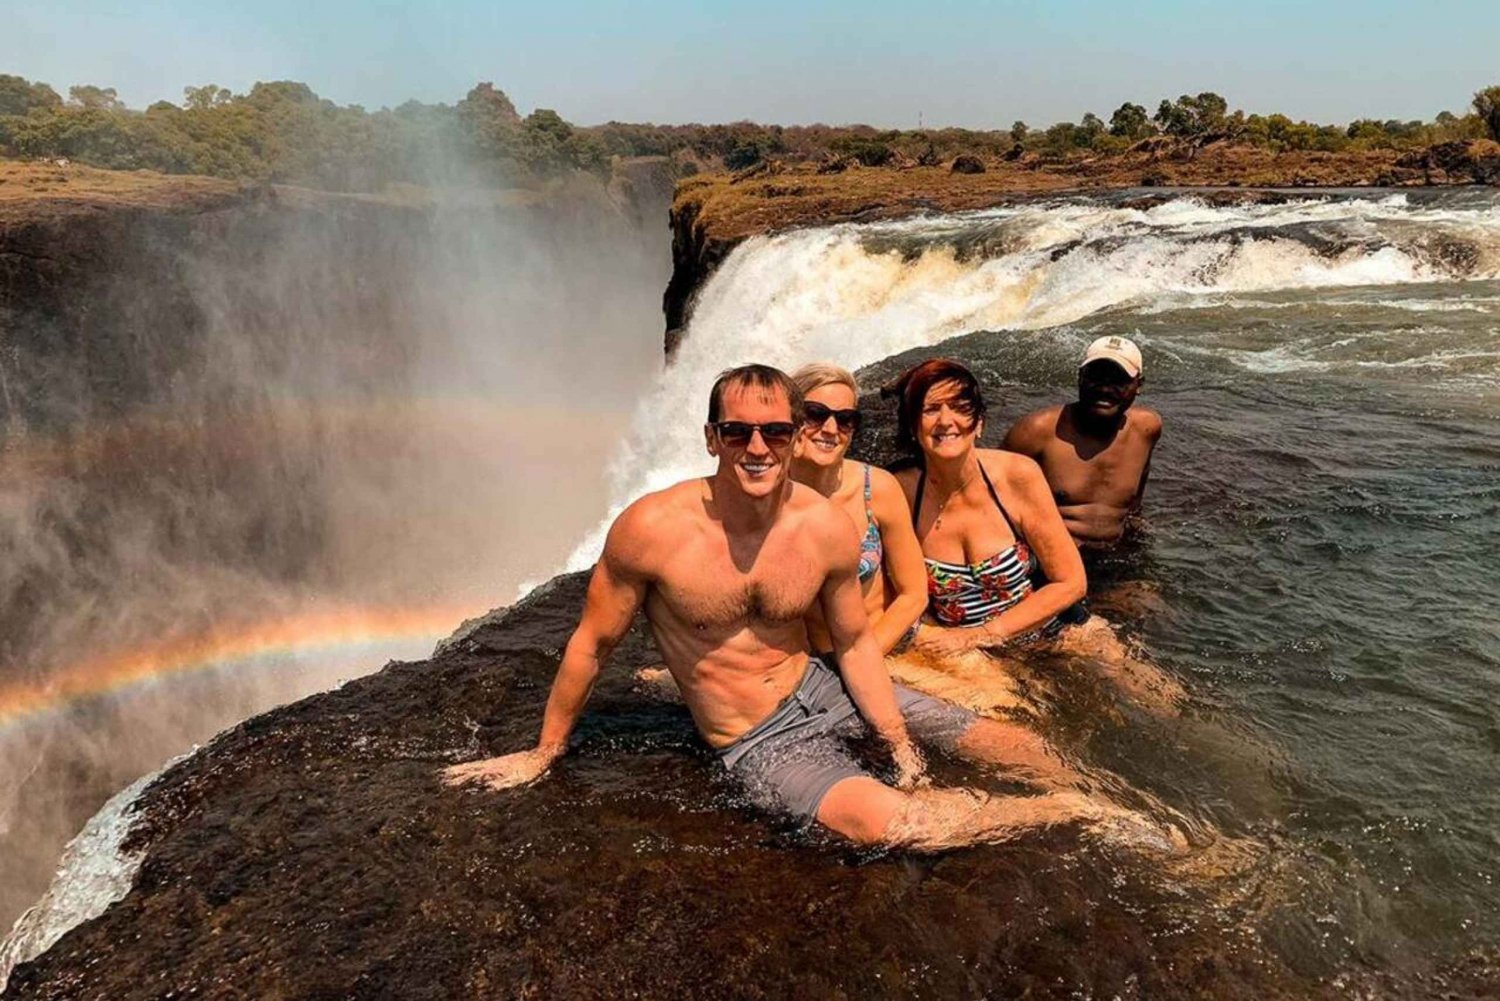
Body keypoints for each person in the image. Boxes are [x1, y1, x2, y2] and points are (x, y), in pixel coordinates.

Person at [443, 364, 1162, 849]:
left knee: (1014, 744)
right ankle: (1076, 814)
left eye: (776, 432)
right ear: (711, 438)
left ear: (792, 438)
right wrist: (545, 752)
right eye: (738, 432)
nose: (758, 448)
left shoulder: (822, 526)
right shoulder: (652, 530)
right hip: (757, 739)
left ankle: (1127, 805)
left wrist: (898, 739)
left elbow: (852, 644)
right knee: (903, 826)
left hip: (825, 687)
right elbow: (591, 645)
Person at [889, 358, 1183, 709]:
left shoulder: (1017, 475)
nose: (946, 421)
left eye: (960, 407)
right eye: (930, 409)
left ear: (979, 422)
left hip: (1054, 628)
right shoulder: (897, 491)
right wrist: (954, 642)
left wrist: (984, 635)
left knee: (1162, 700)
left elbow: (1071, 583)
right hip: (965, 654)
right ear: (911, 425)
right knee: (1018, 730)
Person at [789, 362, 927, 656]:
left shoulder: (877, 487)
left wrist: (863, 662)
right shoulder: (767, 496)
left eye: (845, 419)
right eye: (815, 414)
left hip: (889, 647)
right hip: (814, 664)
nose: (830, 429)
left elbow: (914, 593)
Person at [1003, 336, 1162, 550]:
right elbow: (986, 497)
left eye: (1118, 380)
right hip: (1052, 556)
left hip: (1115, 553)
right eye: (1096, 377)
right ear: (1080, 378)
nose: (1105, 389)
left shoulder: (1146, 429)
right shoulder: (1036, 431)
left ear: (1138, 385)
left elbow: (1135, 503)